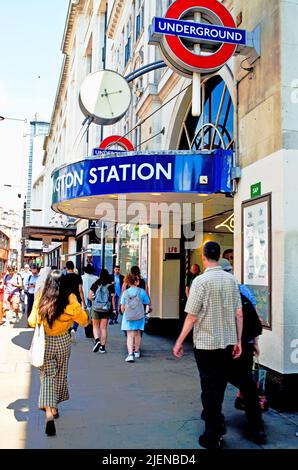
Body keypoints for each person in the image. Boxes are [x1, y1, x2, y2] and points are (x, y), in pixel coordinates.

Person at [173, 242, 243, 449]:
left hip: (205, 343)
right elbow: (239, 313)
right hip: (228, 342)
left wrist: (179, 341)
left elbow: (192, 316)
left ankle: (213, 432)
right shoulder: (232, 281)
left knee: (208, 385)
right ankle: (216, 418)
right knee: (219, 383)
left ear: (203, 257)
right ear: (220, 256)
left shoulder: (200, 282)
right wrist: (238, 340)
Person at [28, 270, 88, 436]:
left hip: (45, 342)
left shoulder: (41, 297)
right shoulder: (70, 298)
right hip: (63, 341)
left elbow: (32, 321)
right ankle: (54, 409)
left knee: (47, 376)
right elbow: (83, 320)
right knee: (61, 374)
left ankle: (48, 412)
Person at [120, 274, 150, 363]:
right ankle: (137, 351)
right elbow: (147, 302)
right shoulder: (142, 291)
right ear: (136, 282)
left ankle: (130, 354)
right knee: (138, 333)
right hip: (139, 316)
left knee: (130, 335)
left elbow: (122, 306)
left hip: (128, 316)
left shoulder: (125, 293)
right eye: (138, 280)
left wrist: (124, 313)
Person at [88, 268, 116, 354]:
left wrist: (94, 301)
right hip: (106, 309)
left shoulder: (95, 284)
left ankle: (97, 341)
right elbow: (112, 298)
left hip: (96, 308)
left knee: (95, 326)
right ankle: (103, 348)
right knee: (103, 328)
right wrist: (114, 309)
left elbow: (89, 296)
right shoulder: (110, 286)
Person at [64, 260, 87, 341]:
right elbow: (80, 290)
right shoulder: (78, 277)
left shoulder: (64, 277)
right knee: (77, 315)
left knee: (68, 315)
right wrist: (84, 303)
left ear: (66, 268)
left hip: (67, 300)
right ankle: (74, 328)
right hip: (77, 299)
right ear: (73, 268)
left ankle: (68, 329)